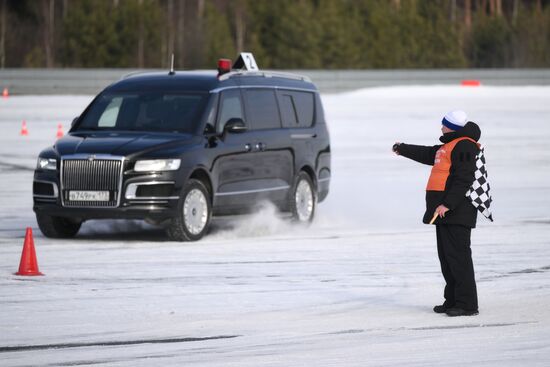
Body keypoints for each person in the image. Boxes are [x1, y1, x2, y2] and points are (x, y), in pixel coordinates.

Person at [393, 110, 481, 317]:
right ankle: (452, 300)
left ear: (453, 127)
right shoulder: (449, 145)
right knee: (447, 259)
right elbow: (428, 154)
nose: (441, 127)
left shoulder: (465, 145)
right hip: (444, 212)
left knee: (458, 258)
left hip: (456, 211)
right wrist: (402, 149)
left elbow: (464, 178)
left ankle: (467, 304)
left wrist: (447, 204)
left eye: (444, 124)